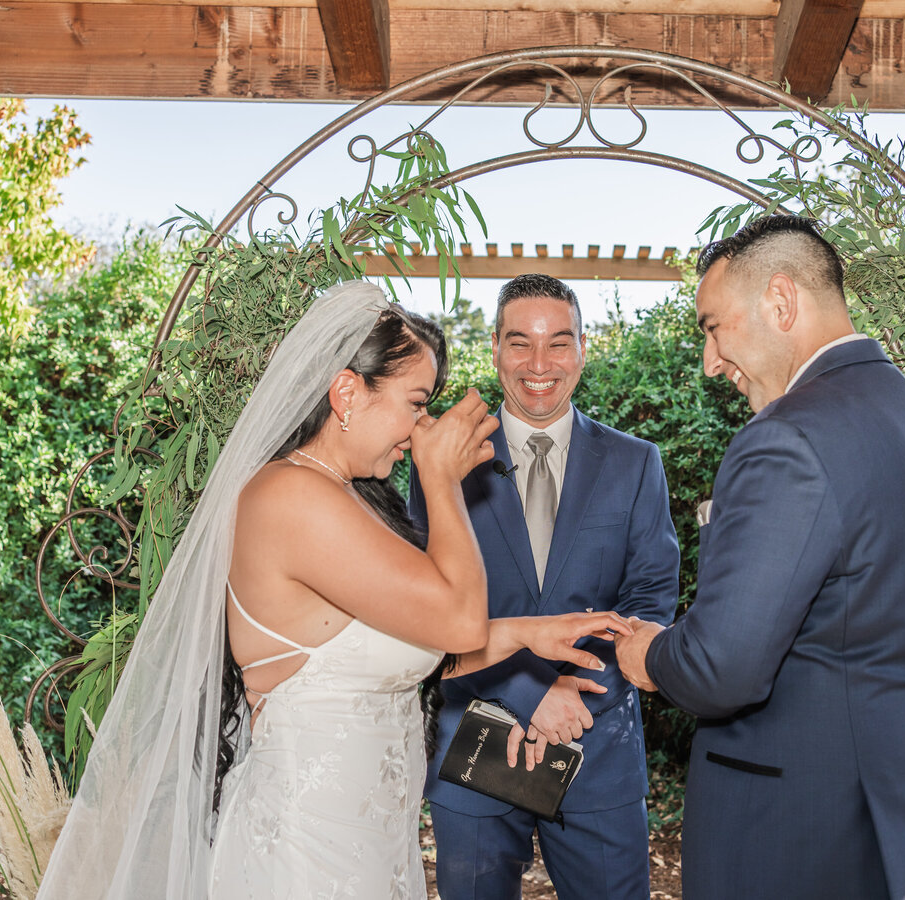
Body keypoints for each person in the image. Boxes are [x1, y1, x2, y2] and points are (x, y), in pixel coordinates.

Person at [37, 281, 629, 899]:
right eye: (415, 403)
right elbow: (456, 619)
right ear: (348, 392)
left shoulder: (346, 500)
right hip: (305, 849)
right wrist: (442, 479)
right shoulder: (290, 497)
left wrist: (531, 634)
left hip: (367, 841)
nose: (419, 427)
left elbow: (420, 647)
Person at [615, 216, 905, 899]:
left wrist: (648, 654)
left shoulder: (787, 438)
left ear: (781, 301)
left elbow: (718, 668)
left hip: (808, 833)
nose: (710, 362)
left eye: (713, 327)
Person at [410, 274, 679, 900]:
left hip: (598, 744)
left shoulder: (637, 463)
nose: (540, 364)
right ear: (496, 350)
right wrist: (532, 692)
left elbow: (649, 603)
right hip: (474, 747)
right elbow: (424, 607)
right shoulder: (441, 462)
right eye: (519, 343)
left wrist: (575, 694)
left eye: (559, 343)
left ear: (583, 349)